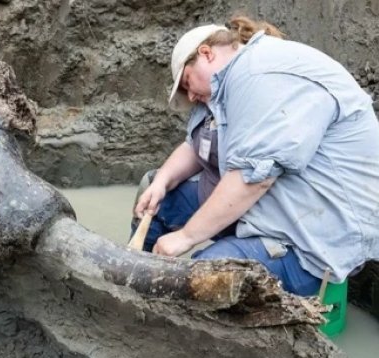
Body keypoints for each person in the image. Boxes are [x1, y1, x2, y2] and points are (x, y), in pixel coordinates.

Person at [132, 16, 379, 296]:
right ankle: (136, 290)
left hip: (310, 240)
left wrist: (185, 238)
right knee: (159, 206)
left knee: (205, 277)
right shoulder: (225, 87)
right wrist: (161, 182)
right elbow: (195, 145)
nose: (190, 97)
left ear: (206, 53)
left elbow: (253, 180)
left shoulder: (259, 74)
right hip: (268, 209)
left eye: (187, 83)